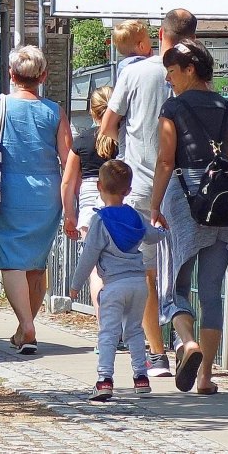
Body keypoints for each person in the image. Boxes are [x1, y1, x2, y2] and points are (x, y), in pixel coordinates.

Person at [149, 38, 228, 394]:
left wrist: (154, 204)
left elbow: (167, 160)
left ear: (190, 69)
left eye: (172, 71)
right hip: (225, 205)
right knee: (212, 293)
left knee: (175, 286)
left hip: (186, 201)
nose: (169, 79)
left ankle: (187, 342)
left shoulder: (173, 108)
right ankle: (206, 377)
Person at [97, 7, 196, 376]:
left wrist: (110, 143)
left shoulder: (135, 72)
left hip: (142, 183)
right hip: (190, 187)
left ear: (159, 36)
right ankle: (185, 337)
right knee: (184, 268)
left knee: (148, 271)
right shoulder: (197, 73)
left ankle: (157, 353)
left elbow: (109, 123)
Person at [0, 45, 72, 355]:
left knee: (11, 262)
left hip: (7, 191)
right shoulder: (54, 111)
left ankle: (27, 325)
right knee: (36, 265)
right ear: (43, 76)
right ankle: (24, 327)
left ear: (12, 75)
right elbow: (67, 158)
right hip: (46, 192)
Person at [69, 159, 166, 400]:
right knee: (134, 331)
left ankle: (104, 379)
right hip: (138, 283)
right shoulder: (134, 216)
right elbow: (153, 236)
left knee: (109, 332)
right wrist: (163, 229)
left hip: (113, 285)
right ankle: (141, 378)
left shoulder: (100, 221)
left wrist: (75, 285)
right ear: (129, 191)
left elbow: (89, 256)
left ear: (99, 186)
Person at [62, 85, 116, 312]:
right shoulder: (123, 139)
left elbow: (68, 182)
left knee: (96, 269)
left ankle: (105, 325)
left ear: (93, 112)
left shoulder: (82, 142)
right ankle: (123, 324)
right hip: (119, 204)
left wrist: (70, 216)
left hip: (89, 209)